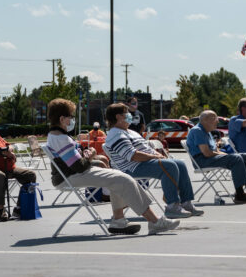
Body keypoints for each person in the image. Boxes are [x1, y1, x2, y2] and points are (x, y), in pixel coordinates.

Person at [50, 100, 181, 234]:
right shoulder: (61, 139)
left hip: (70, 175)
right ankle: (155, 222)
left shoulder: (57, 136)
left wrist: (86, 155)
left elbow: (74, 162)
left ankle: (118, 221)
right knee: (124, 180)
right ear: (62, 119)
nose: (73, 120)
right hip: (70, 177)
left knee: (119, 178)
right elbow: (79, 166)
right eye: (71, 116)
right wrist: (90, 155)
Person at [103, 103, 202, 219]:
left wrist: (158, 155)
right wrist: (156, 157)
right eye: (127, 113)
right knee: (169, 166)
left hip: (142, 163)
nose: (130, 115)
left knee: (180, 163)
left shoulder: (131, 132)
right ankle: (172, 206)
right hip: (132, 168)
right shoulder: (115, 134)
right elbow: (133, 155)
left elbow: (147, 149)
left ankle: (186, 202)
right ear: (118, 117)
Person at [187, 110, 246, 204]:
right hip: (202, 160)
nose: (218, 121)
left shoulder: (207, 131)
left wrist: (226, 155)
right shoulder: (198, 131)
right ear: (205, 120)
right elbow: (207, 153)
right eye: (215, 118)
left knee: (245, 156)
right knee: (236, 158)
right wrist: (228, 155)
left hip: (209, 157)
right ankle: (240, 195)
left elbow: (215, 150)